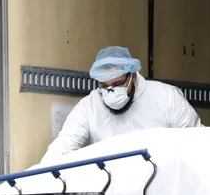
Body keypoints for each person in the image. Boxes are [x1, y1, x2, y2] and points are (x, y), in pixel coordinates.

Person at [43, 46, 201, 161]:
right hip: (111, 194)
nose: (111, 91)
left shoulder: (166, 97)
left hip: (162, 192)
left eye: (117, 84)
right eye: (104, 86)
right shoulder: (89, 106)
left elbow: (197, 143)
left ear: (132, 76)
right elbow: (63, 146)